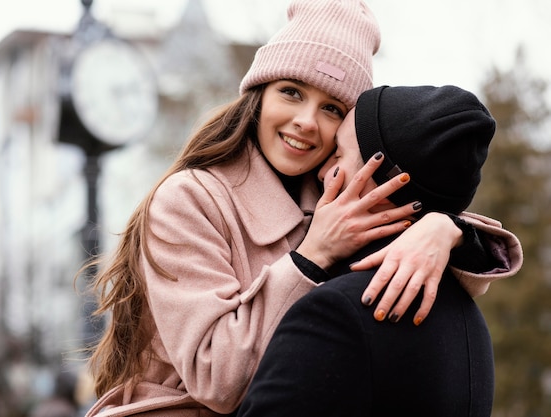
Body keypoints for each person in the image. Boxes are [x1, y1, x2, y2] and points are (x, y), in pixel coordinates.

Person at [83, 1, 523, 416]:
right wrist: (310, 258)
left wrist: (443, 229)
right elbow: (215, 378)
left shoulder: (335, 197)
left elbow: (432, 222)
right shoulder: (190, 199)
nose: (307, 122)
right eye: (291, 92)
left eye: (331, 107)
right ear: (258, 95)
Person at [236, 84, 504, 417]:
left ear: (387, 182)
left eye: (338, 155)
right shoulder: (470, 321)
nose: (320, 172)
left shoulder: (336, 311)